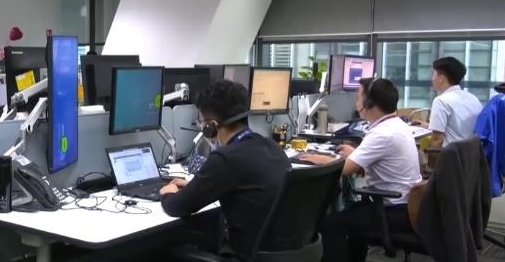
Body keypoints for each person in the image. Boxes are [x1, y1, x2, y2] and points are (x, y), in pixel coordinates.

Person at [159, 80, 291, 261]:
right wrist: (197, 186)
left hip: (245, 256)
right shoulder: (271, 146)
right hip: (282, 252)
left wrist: (168, 192)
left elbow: (177, 207)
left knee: (165, 251)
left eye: (201, 122)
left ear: (211, 127)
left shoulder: (225, 158)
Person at [300, 78, 422, 262]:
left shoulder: (382, 134)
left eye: (358, 98)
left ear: (370, 104)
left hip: (394, 211)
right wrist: (355, 153)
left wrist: (321, 158)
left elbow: (345, 169)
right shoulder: (396, 125)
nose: (356, 104)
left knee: (330, 225)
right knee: (352, 215)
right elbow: (372, 160)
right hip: (406, 206)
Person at [428, 56, 482, 147]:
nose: (432, 78)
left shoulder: (441, 101)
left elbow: (437, 139)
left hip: (451, 153)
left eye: (433, 74)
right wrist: (428, 125)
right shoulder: (473, 98)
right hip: (472, 152)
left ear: (441, 78)